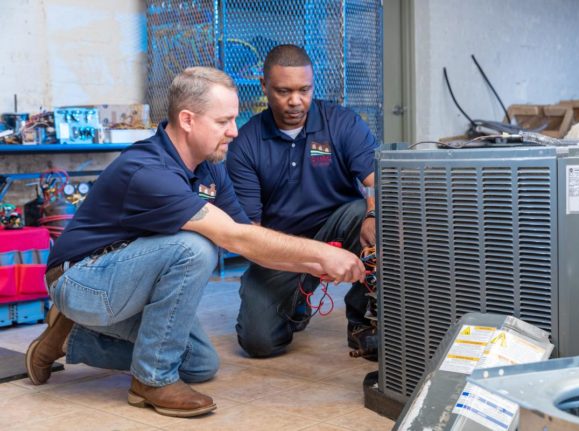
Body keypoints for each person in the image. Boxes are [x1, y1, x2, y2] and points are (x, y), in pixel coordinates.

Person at [25, 66, 365, 418]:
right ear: (187, 119)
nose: (234, 131)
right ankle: (151, 381)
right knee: (195, 246)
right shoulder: (147, 171)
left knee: (200, 364)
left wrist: (317, 263)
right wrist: (320, 254)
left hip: (129, 281)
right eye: (223, 122)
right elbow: (235, 237)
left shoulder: (210, 166)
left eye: (234, 120)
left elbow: (245, 237)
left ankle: (66, 339)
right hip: (81, 281)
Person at [226, 44, 378, 359]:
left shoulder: (342, 123)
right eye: (283, 91)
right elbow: (249, 235)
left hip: (340, 225)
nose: (296, 101)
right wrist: (316, 258)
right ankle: (297, 302)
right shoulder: (245, 144)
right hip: (282, 247)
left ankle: (364, 321)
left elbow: (381, 182)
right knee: (259, 342)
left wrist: (374, 216)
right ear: (264, 87)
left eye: (304, 90)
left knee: (377, 217)